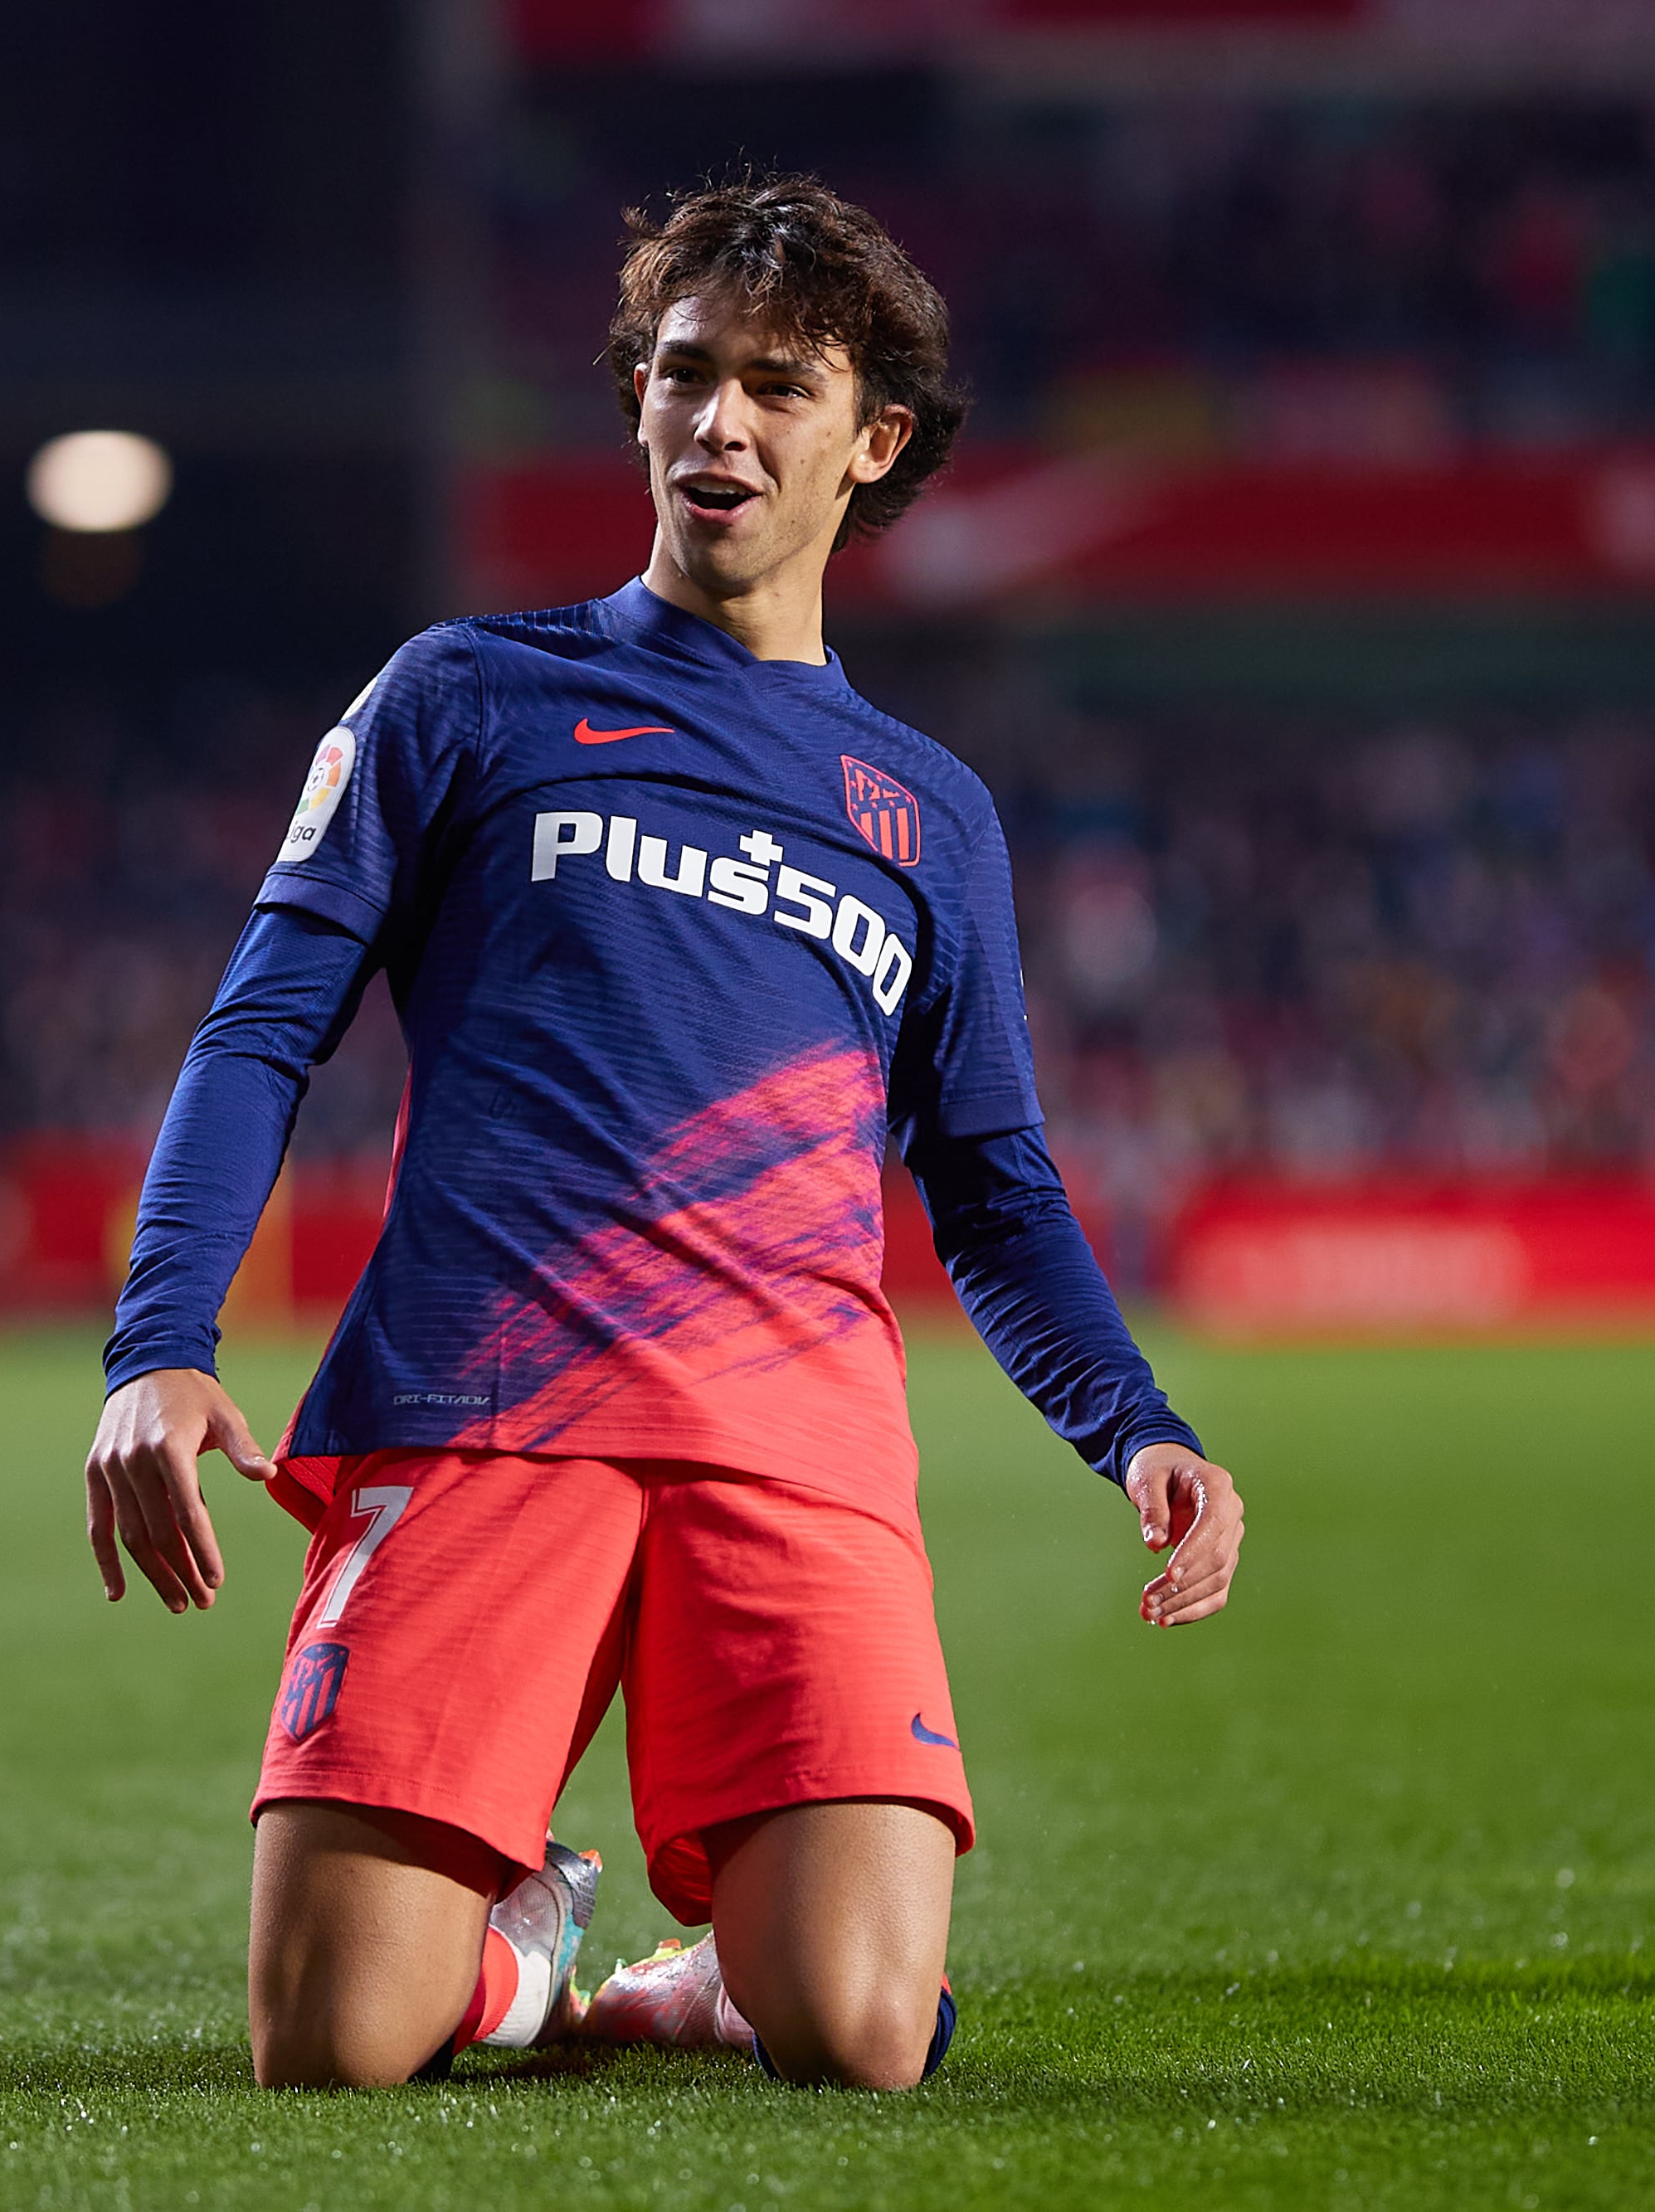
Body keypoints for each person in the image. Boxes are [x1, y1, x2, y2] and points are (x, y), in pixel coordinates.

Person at [85, 174, 1245, 2092]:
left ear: (869, 442)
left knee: (862, 2028)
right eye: (683, 375)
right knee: (331, 2039)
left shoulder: (926, 810)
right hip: (482, 1397)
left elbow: (992, 1181)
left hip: (786, 1428)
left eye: (777, 386)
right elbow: (261, 1025)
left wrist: (1139, 1424)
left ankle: (720, 1963)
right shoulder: (464, 693)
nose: (719, 422)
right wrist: (161, 1343)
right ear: (633, 401)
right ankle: (522, 1936)